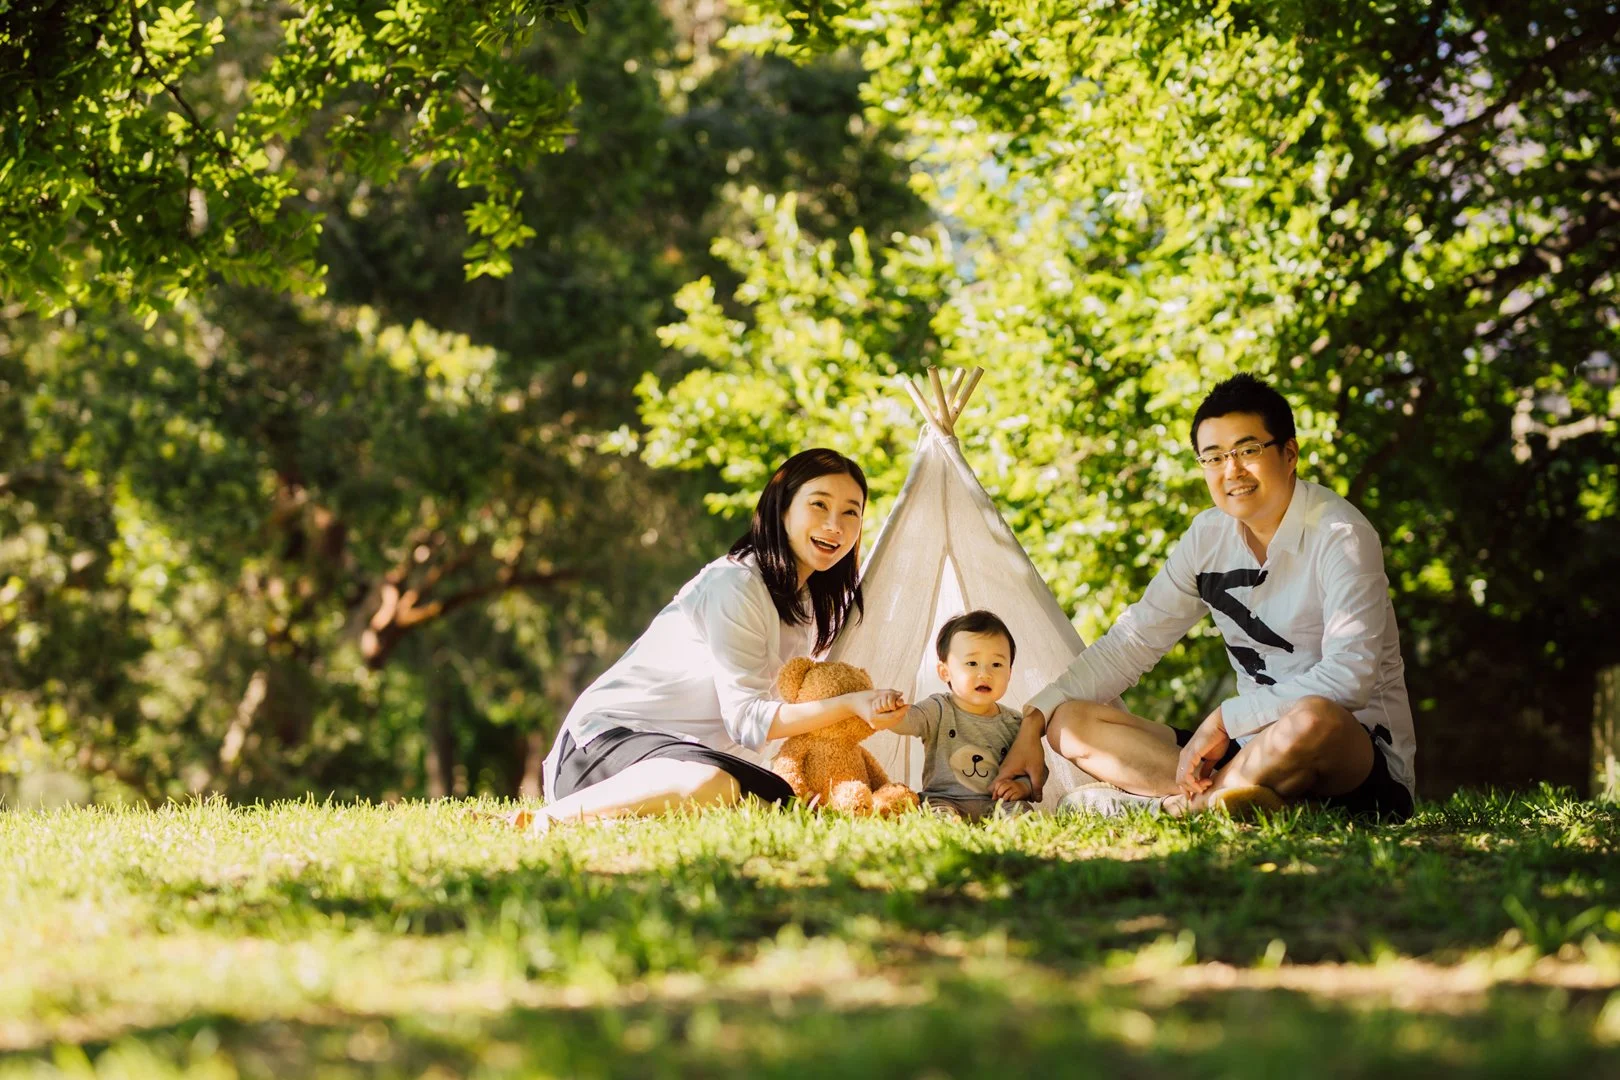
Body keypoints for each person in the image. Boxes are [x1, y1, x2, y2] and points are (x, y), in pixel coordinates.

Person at [994, 373, 1417, 820]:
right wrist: (1034, 720)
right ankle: (1233, 800)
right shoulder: (1207, 537)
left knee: (1316, 718)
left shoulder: (1341, 535)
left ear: (1289, 454)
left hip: (1352, 759)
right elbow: (1132, 643)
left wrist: (1224, 719)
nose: (1231, 470)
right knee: (1071, 723)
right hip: (1244, 749)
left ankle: (1175, 809)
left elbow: (1351, 676)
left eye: (1248, 451)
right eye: (1213, 457)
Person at [526, 448, 908, 833]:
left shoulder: (806, 604)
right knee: (709, 784)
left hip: (687, 757)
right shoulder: (736, 583)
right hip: (604, 744)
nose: (834, 525)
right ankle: (549, 818)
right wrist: (850, 704)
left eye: (850, 512)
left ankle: (605, 822)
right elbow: (746, 720)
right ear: (782, 509)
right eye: (819, 505)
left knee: (762, 800)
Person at [883, 609, 1037, 821]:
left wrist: (1021, 786)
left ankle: (1015, 828)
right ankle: (946, 826)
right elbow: (907, 722)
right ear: (945, 671)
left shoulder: (1014, 722)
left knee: (1020, 811)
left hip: (997, 802)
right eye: (972, 663)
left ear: (1010, 673)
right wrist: (891, 709)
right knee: (935, 813)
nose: (985, 673)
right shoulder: (938, 708)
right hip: (944, 799)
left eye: (997, 664)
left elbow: (1032, 770)